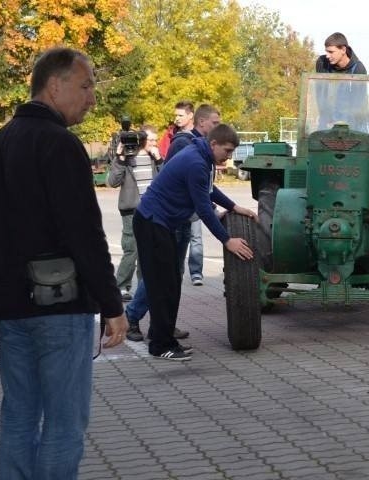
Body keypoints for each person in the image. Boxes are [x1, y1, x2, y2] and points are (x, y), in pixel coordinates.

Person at [0, 46, 128, 479]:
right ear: (55, 85)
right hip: (59, 305)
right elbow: (84, 233)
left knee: (18, 414)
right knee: (64, 423)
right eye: (85, 86)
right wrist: (112, 304)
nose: (91, 98)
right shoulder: (61, 144)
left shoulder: (0, 140)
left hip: (9, 306)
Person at [134, 124, 257, 361]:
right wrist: (227, 239)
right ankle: (161, 345)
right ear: (213, 144)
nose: (229, 156)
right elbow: (203, 207)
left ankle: (164, 339)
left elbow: (209, 190)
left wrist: (234, 207)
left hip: (161, 224)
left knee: (170, 285)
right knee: (163, 287)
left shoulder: (203, 158)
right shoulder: (197, 162)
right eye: (227, 151)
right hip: (152, 224)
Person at [166, 103, 222, 286]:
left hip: (184, 215)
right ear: (201, 121)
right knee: (167, 273)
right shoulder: (185, 143)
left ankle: (164, 312)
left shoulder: (200, 145)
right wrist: (226, 239)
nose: (218, 128)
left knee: (174, 273)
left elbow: (206, 187)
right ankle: (134, 314)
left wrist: (232, 207)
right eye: (215, 123)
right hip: (173, 216)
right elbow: (192, 187)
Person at [107, 125, 164, 302]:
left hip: (151, 210)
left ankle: (143, 287)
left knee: (147, 251)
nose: (155, 143)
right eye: (151, 140)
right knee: (131, 249)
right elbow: (113, 182)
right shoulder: (128, 158)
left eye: (156, 140)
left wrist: (160, 160)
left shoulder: (155, 159)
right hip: (131, 210)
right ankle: (122, 286)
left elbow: (167, 180)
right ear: (142, 140)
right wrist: (120, 158)